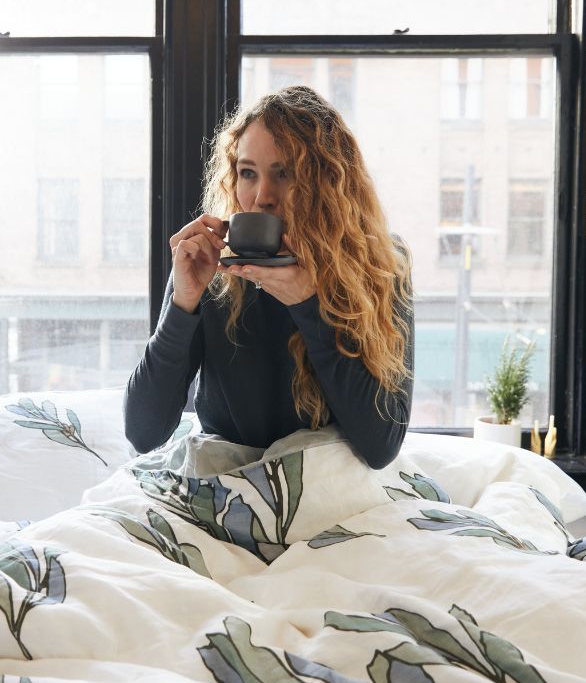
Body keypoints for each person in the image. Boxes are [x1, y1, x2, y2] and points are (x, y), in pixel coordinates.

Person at [124, 85, 414, 470]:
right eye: (247, 173)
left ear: (328, 183)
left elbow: (381, 447)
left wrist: (309, 305)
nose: (262, 196)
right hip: (226, 488)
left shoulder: (380, 264)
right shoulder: (214, 268)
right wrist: (182, 303)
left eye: (285, 173)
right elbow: (144, 433)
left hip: (333, 487)